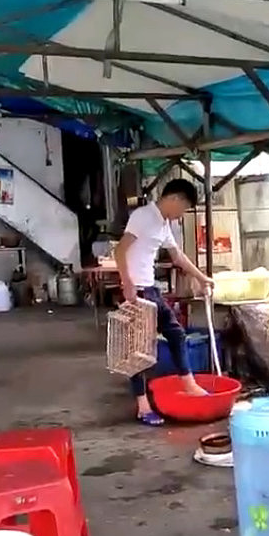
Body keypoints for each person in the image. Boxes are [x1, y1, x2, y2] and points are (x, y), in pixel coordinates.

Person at [115, 178, 213, 426]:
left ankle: (189, 384)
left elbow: (177, 256)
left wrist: (202, 278)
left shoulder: (162, 223)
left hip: (151, 290)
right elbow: (120, 250)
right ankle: (143, 406)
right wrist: (126, 283)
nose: (182, 214)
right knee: (137, 352)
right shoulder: (143, 216)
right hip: (137, 291)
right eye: (184, 208)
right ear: (174, 199)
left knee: (176, 333)